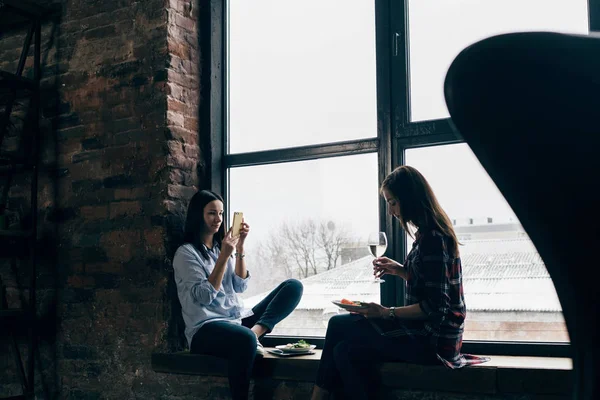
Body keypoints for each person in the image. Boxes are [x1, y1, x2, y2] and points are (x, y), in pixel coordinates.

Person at [311, 166, 489, 400]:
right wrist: (401, 270)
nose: (391, 210)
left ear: (409, 199)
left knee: (337, 324)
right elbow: (431, 283)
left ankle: (316, 397)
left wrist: (385, 312)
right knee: (344, 352)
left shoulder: (433, 239)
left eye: (393, 202)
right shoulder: (428, 235)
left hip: (433, 342)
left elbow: (436, 307)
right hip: (426, 335)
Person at [173, 190, 303, 400]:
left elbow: (239, 286)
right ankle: (250, 342)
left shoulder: (219, 248)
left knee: (293, 286)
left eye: (221, 213)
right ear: (199, 215)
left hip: (235, 321)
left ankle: (255, 333)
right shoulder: (186, 253)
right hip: (204, 330)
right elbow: (205, 296)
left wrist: (239, 248)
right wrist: (224, 256)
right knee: (244, 340)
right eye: (212, 214)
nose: (218, 219)